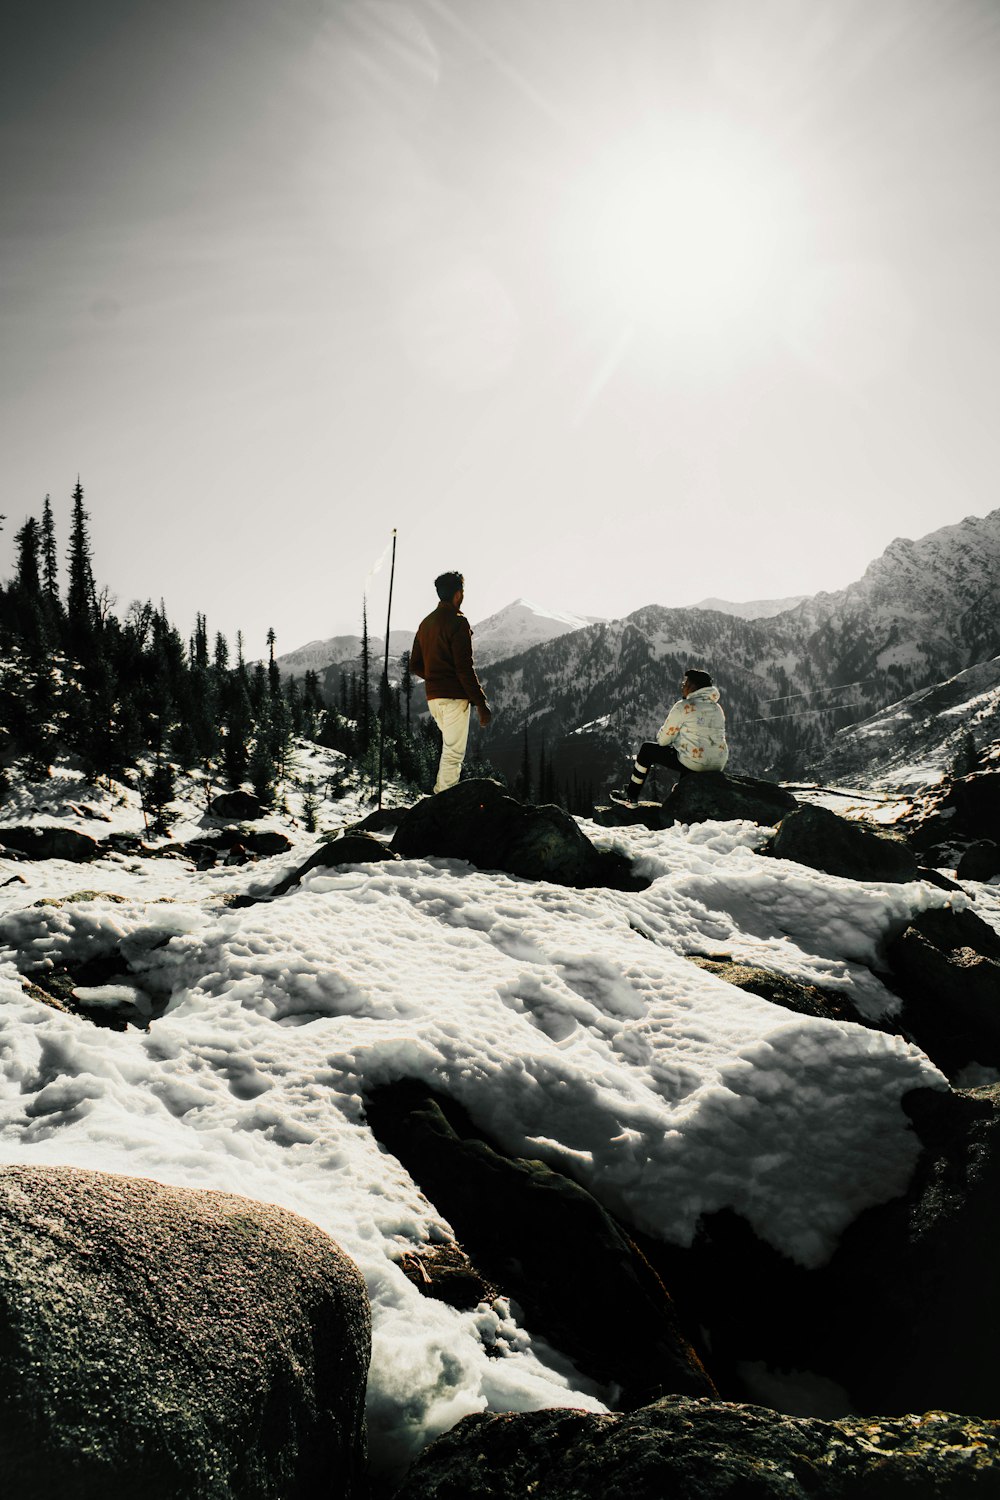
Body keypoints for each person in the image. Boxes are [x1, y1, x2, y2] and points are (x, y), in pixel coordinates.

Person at [410, 570, 492, 793]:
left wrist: (436, 676)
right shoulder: (458, 622)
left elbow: (414, 664)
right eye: (462, 591)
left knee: (449, 749)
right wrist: (481, 704)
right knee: (454, 753)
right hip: (454, 698)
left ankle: (441, 797)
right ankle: (443, 800)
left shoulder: (425, 623)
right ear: (458, 594)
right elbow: (464, 668)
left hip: (433, 698)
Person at [611, 668, 728, 806]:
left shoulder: (684, 706)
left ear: (693, 686)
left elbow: (662, 741)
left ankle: (631, 795)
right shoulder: (717, 708)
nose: (682, 686)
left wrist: (675, 738)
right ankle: (684, 791)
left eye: (685, 683)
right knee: (690, 753)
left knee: (647, 749)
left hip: (695, 762)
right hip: (718, 763)